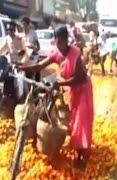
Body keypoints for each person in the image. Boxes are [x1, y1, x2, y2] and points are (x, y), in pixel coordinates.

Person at [19, 25, 94, 170]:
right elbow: (40, 65)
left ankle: (82, 156)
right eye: (57, 41)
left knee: (81, 121)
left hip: (83, 89)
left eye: (62, 41)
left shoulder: (75, 53)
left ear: (67, 39)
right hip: (73, 91)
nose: (60, 45)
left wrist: (60, 83)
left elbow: (79, 78)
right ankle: (77, 146)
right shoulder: (56, 53)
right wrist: (24, 68)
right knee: (72, 120)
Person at [0, 21, 28, 102]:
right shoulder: (7, 39)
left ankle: (26, 100)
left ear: (14, 30)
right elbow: (1, 49)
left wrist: (22, 63)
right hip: (10, 66)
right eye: (8, 29)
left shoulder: (21, 39)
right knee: (4, 80)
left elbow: (26, 52)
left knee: (22, 85)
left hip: (20, 66)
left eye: (11, 30)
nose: (9, 31)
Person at [21, 17, 41, 81]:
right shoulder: (20, 35)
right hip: (24, 57)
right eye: (22, 24)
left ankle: (37, 86)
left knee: (37, 71)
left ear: (28, 24)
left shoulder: (33, 34)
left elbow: (38, 47)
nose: (23, 26)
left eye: (25, 24)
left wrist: (33, 48)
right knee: (26, 74)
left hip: (33, 56)